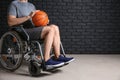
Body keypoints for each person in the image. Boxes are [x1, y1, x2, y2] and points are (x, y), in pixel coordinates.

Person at [7, 0, 74, 68]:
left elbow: (35, 22)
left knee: (55, 27)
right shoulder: (14, 4)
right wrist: (28, 16)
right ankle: (46, 60)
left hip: (33, 29)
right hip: (22, 31)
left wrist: (43, 21)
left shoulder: (31, 5)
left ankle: (57, 56)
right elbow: (10, 22)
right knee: (50, 29)